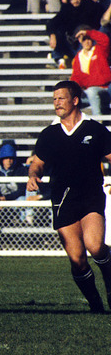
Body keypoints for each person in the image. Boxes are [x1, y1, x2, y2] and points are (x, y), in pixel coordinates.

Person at [28, 80, 111, 313]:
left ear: (75, 100)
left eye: (61, 98)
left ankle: (109, 280)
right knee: (77, 259)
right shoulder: (50, 133)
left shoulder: (94, 129)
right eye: (54, 99)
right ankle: (96, 304)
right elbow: (37, 163)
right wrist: (33, 176)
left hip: (91, 196)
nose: (56, 103)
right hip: (62, 198)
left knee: (95, 246)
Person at [47, 0, 104, 68]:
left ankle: (76, 60)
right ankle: (60, 58)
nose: (75, 1)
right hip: (72, 41)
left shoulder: (88, 8)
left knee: (83, 31)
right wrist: (52, 36)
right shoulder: (67, 9)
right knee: (59, 31)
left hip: (87, 41)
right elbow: (52, 23)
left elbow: (98, 10)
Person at [71, 27, 111, 115]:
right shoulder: (78, 56)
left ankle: (98, 119)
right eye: (84, 40)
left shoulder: (99, 50)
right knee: (71, 96)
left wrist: (88, 32)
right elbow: (76, 76)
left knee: (91, 91)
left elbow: (105, 40)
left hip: (104, 87)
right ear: (80, 41)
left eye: (89, 39)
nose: (87, 42)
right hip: (87, 89)